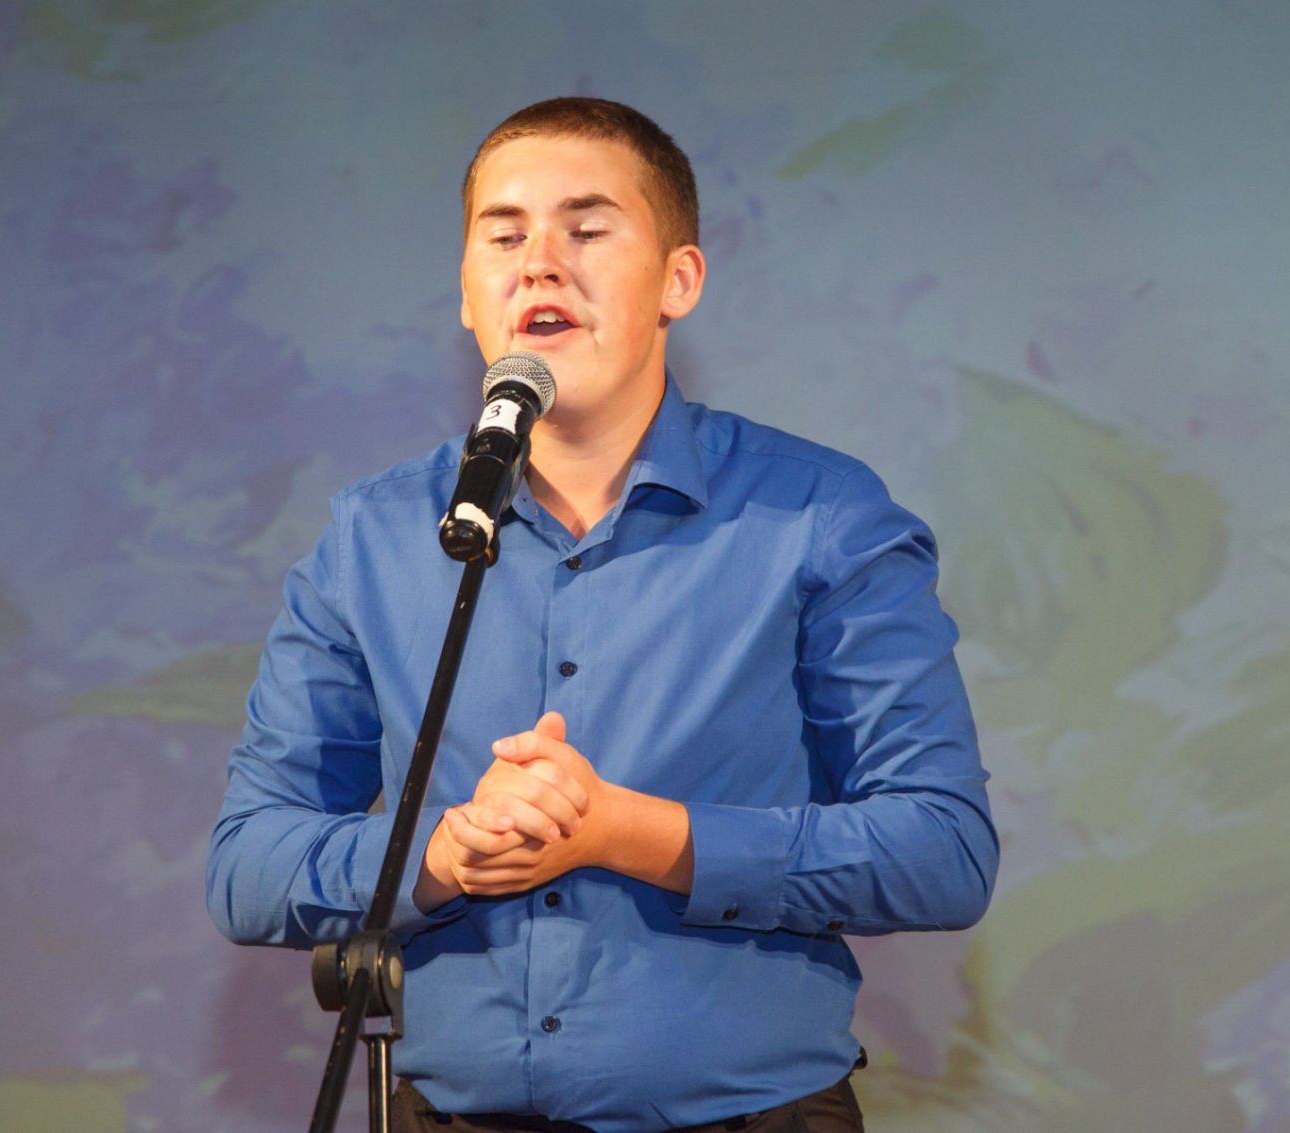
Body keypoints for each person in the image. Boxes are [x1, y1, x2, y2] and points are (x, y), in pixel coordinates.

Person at [208, 97, 997, 1133]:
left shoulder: (820, 516)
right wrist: (447, 853)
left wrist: (631, 834)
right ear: (466, 294)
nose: (539, 264)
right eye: (503, 237)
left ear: (679, 279)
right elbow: (248, 863)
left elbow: (940, 848)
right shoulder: (374, 536)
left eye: (585, 230)